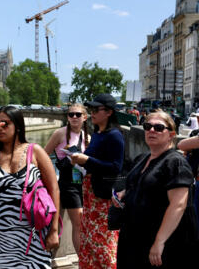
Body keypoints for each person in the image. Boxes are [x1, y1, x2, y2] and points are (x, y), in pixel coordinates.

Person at [0, 106, 60, 268]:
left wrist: (54, 230)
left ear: (18, 126)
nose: (0, 127)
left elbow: (54, 189)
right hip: (0, 235)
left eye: (5, 123)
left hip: (32, 235)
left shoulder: (35, 151)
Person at [115, 110, 196, 268]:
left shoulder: (175, 163)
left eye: (158, 128)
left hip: (159, 241)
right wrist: (124, 193)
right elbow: (141, 184)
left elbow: (178, 205)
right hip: (134, 237)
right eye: (147, 126)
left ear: (171, 135)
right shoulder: (143, 158)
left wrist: (159, 242)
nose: (151, 130)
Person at [70, 93, 124, 268]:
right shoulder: (99, 133)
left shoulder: (114, 135)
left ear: (108, 112)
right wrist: (80, 158)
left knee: (102, 243)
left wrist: (87, 161)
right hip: (91, 194)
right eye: (91, 109)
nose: (91, 113)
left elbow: (116, 167)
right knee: (89, 240)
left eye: (95, 109)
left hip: (102, 198)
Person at [44, 103, 89, 255]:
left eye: (78, 114)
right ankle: (82, 260)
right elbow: (43, 156)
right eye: (71, 114)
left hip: (84, 183)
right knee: (79, 223)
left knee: (84, 223)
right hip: (68, 182)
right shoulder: (60, 133)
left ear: (85, 117)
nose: (74, 117)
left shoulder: (87, 136)